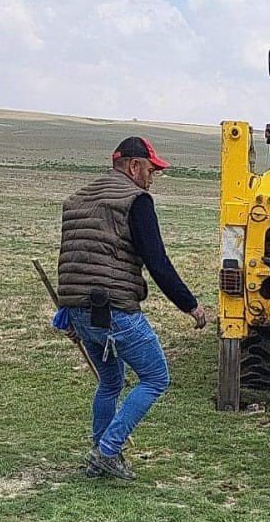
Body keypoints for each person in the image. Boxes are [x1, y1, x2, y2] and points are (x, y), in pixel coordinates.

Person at [55, 136, 207, 480]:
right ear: (134, 166)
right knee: (156, 377)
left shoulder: (77, 199)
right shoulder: (136, 200)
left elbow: (72, 257)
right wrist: (190, 305)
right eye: (151, 170)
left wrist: (67, 312)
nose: (152, 178)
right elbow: (157, 261)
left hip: (80, 310)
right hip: (112, 309)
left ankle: (100, 450)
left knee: (110, 381)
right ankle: (108, 450)